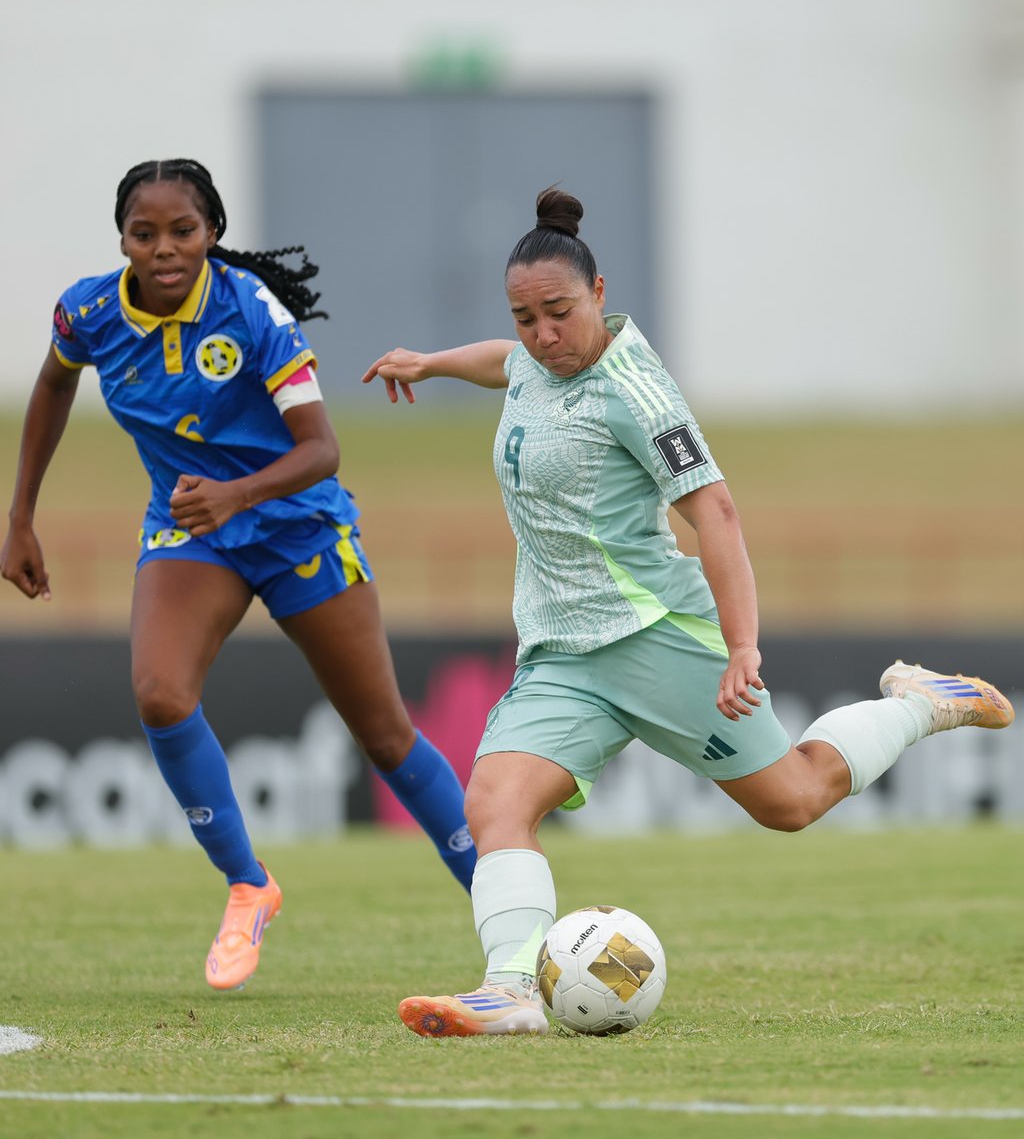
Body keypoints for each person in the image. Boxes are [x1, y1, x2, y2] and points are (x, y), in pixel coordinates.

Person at [362, 185, 1015, 1038]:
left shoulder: (638, 393)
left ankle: (921, 704)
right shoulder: (534, 355)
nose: (542, 336)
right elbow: (507, 364)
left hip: (656, 638)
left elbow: (716, 513)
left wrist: (741, 644)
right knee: (494, 803)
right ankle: (512, 992)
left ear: (599, 295)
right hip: (564, 652)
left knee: (790, 799)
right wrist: (434, 362)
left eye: (558, 314)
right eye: (525, 318)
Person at [1, 158, 476, 993]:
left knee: (386, 736)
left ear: (212, 233)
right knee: (159, 693)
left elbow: (322, 450)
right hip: (194, 529)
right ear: (122, 240)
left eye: (182, 231)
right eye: (144, 234)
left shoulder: (253, 313)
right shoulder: (87, 312)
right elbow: (49, 385)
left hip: (298, 527)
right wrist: (19, 518)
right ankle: (249, 885)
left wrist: (237, 493)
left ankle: (505, 906)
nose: (163, 249)